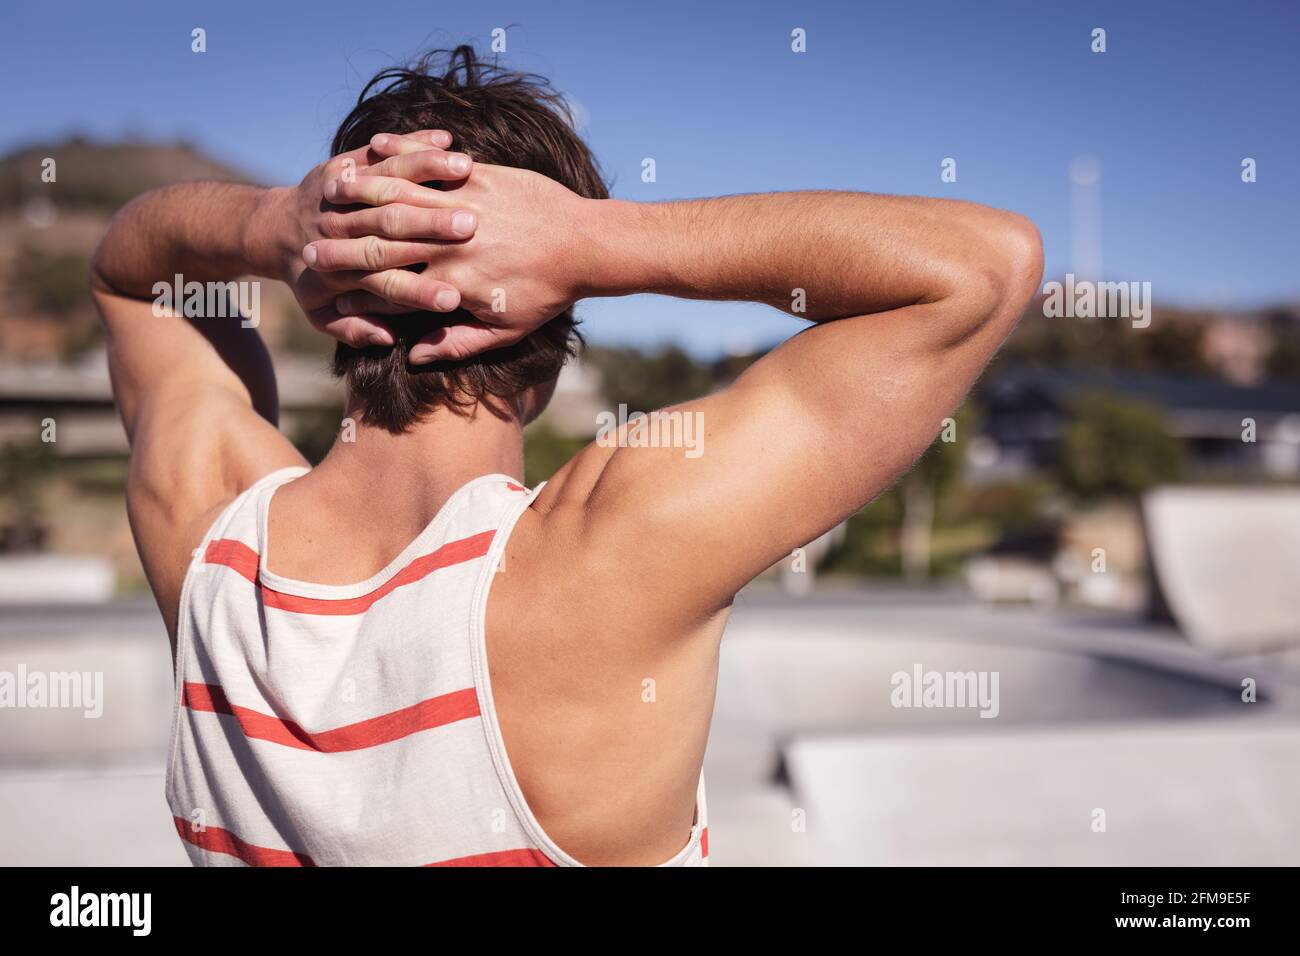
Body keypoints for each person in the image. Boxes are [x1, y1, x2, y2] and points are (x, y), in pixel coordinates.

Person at [90, 47, 1041, 866]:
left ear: (335, 302)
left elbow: (128, 276)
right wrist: (596, 239)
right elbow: (982, 267)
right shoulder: (610, 547)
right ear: (547, 351)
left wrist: (272, 224)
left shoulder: (210, 531)